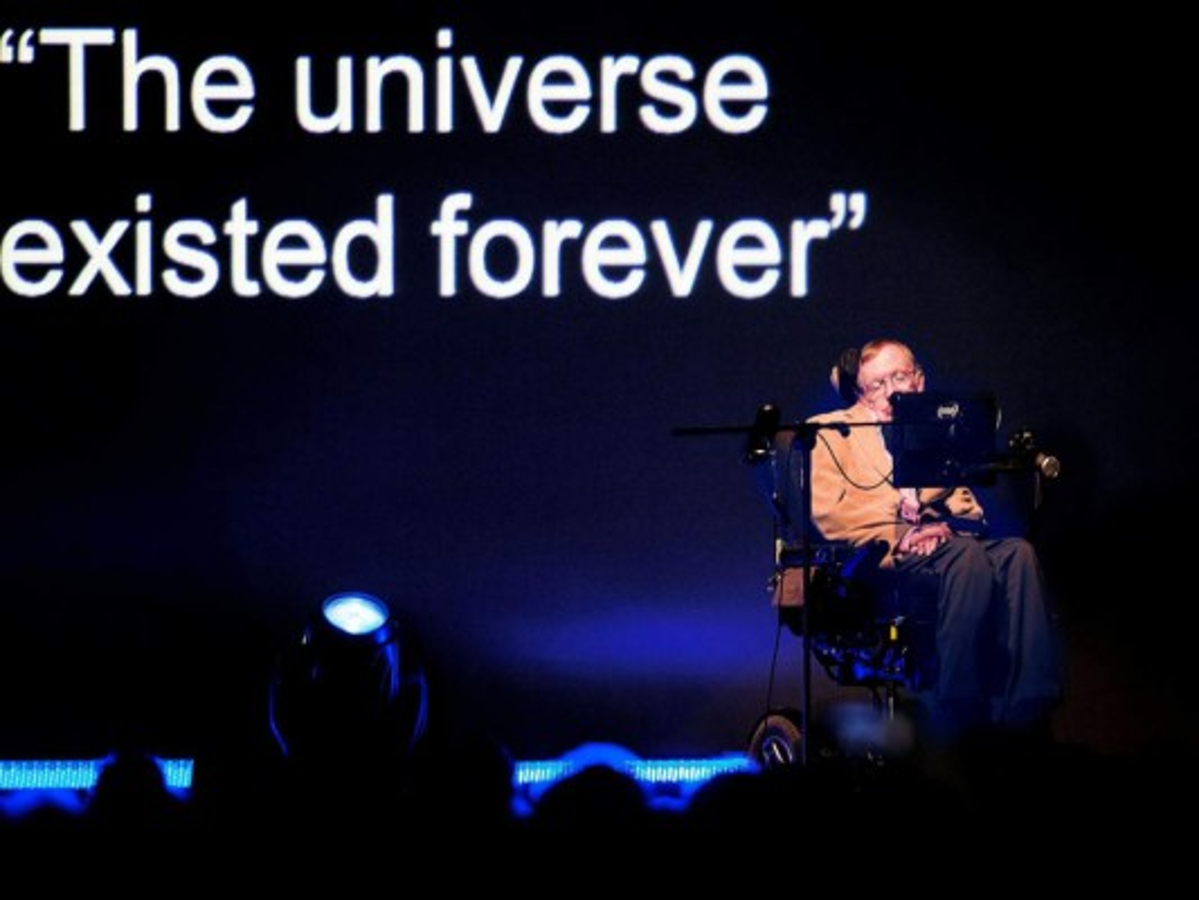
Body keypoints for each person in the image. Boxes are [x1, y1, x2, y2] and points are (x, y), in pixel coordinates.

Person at [796, 338, 1061, 741]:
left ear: (918, 381)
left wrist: (945, 527)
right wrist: (906, 534)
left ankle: (1030, 703)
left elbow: (970, 511)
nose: (891, 392)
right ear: (861, 392)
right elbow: (830, 514)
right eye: (877, 384)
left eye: (899, 377)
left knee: (1017, 554)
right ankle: (958, 706)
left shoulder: (937, 433)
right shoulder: (830, 432)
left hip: (944, 544)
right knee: (966, 557)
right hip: (878, 555)